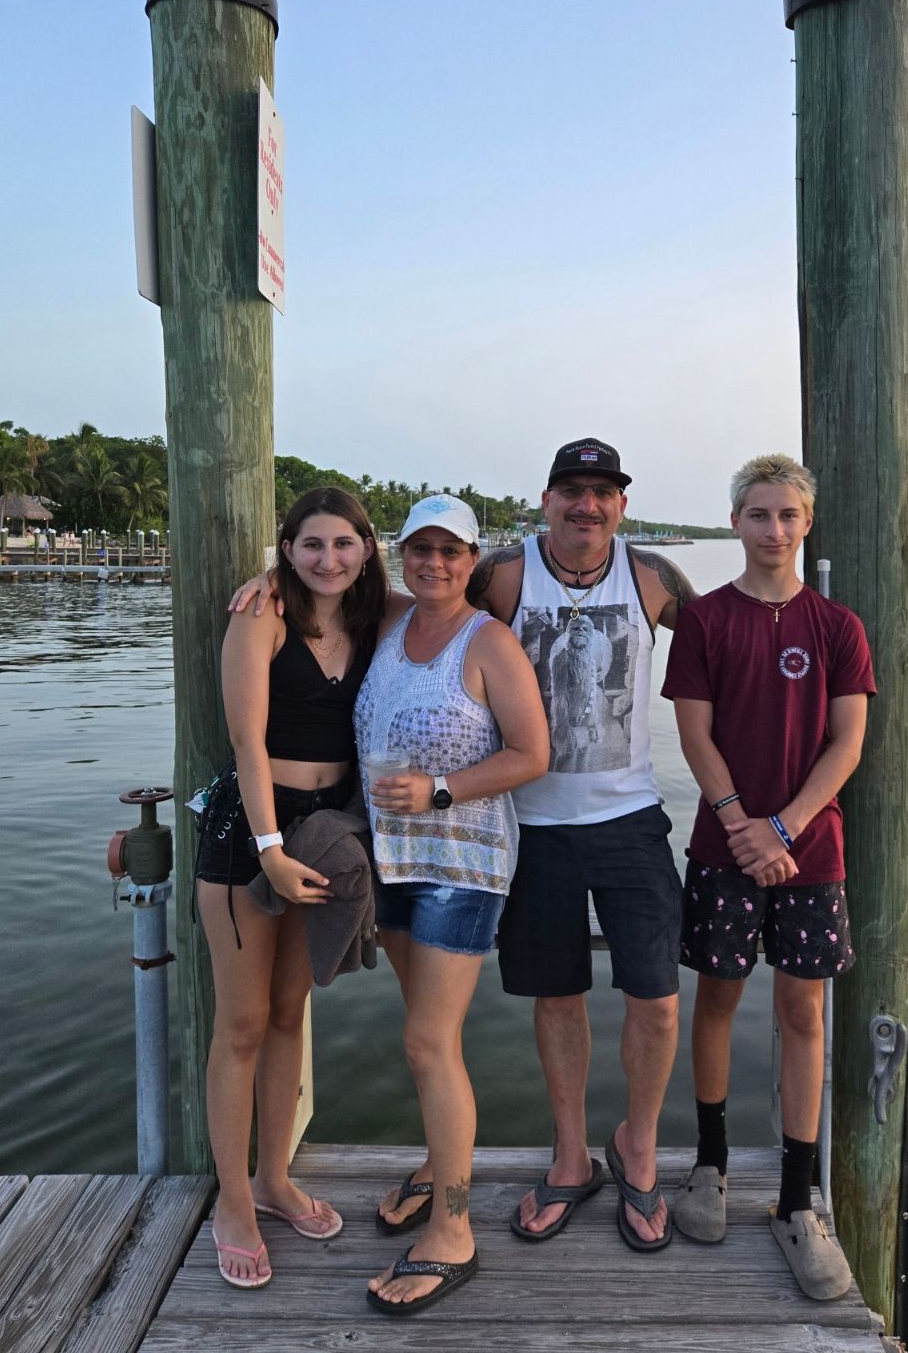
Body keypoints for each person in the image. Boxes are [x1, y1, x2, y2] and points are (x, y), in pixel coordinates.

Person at [468, 439, 696, 1252]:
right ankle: (571, 1155)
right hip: (528, 820)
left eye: (603, 492)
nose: (587, 505)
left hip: (630, 816)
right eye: (573, 490)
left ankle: (637, 1143)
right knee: (555, 994)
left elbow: (722, 648)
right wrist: (276, 588)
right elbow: (414, 615)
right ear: (547, 499)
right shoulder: (501, 574)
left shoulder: (652, 577)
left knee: (657, 998)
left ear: (622, 506)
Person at [661, 453, 874, 1300]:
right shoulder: (708, 621)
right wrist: (741, 824)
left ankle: (795, 1197)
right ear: (736, 523)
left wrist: (783, 828)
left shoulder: (838, 627)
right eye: (757, 514)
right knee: (716, 997)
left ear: (806, 522)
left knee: (803, 1013)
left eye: (788, 515)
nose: (773, 530)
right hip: (724, 847)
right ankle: (709, 1162)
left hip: (810, 854)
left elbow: (845, 744)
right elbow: (695, 737)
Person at [357, 495, 550, 1315]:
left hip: (460, 865)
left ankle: (454, 1230)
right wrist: (264, 581)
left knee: (428, 1042)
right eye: (421, 548)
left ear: (475, 560)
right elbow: (322, 583)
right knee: (425, 1036)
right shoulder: (392, 626)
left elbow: (532, 753)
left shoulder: (488, 640)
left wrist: (440, 790)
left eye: (452, 551)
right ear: (402, 553)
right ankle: (442, 1164)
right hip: (391, 860)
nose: (435, 562)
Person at [198, 486, 395, 1288]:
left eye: (344, 544)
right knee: (241, 1025)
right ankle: (233, 1200)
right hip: (252, 833)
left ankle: (276, 1178)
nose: (328, 560)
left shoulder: (372, 616)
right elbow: (245, 742)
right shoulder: (262, 616)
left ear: (367, 548)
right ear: (287, 549)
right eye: (310, 545)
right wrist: (270, 848)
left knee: (290, 1015)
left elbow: (452, 586)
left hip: (326, 826)